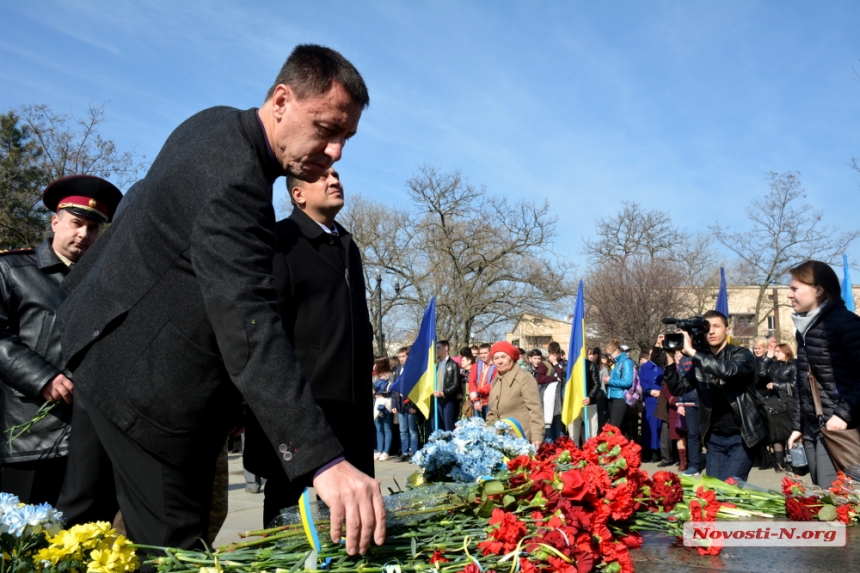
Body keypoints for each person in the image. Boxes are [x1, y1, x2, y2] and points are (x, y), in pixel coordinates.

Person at [55, 45, 384, 555]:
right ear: (281, 101)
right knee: (172, 555)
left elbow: (140, 206)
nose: (337, 151)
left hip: (101, 358)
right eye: (325, 128)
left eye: (347, 137)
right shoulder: (237, 183)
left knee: (76, 542)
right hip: (150, 398)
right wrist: (323, 461)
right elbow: (248, 323)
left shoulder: (211, 123)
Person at [241, 166, 375, 525]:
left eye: (337, 175)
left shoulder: (348, 246)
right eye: (322, 176)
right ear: (298, 194)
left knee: (354, 525)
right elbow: (266, 332)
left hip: (352, 413)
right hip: (303, 411)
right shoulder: (280, 241)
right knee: (287, 524)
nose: (335, 180)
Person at [0, 175, 121, 505]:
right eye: (76, 223)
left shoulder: (106, 283)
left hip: (91, 440)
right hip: (31, 436)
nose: (83, 234)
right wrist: (43, 378)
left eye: (93, 228)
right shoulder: (11, 269)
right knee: (24, 543)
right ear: (55, 222)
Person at [662, 311, 766, 481]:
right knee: (712, 494)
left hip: (742, 437)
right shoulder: (702, 360)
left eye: (716, 326)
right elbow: (679, 389)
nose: (710, 332)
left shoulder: (742, 354)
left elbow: (727, 371)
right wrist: (670, 359)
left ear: (728, 329)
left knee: (727, 491)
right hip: (714, 439)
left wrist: (693, 353)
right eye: (706, 328)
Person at [786, 260, 860, 487]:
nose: (789, 295)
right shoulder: (804, 329)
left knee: (836, 503)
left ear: (818, 289)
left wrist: (843, 415)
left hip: (839, 428)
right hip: (812, 428)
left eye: (795, 289)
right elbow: (802, 382)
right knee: (822, 498)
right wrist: (798, 426)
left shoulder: (845, 323)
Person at [485, 342, 544, 446]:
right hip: (498, 440)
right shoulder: (495, 381)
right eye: (496, 358)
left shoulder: (524, 378)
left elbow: (535, 409)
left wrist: (537, 435)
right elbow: (492, 412)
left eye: (503, 357)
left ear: (511, 357)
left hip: (520, 438)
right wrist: (487, 433)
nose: (500, 361)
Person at [756, 343, 796, 472]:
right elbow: (761, 373)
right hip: (775, 402)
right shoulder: (774, 365)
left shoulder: (793, 365)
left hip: (788, 402)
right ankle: (779, 463)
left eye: (778, 351)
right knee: (777, 431)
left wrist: (776, 386)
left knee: (788, 431)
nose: (776, 353)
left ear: (786, 352)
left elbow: (795, 385)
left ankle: (791, 462)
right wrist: (767, 358)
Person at [391, 346, 419, 462]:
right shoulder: (397, 369)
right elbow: (394, 388)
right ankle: (404, 451)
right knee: (403, 430)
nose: (401, 359)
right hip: (401, 404)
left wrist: (414, 406)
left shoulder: (414, 369)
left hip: (410, 403)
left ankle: (413, 452)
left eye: (404, 356)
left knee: (412, 430)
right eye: (400, 357)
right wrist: (394, 405)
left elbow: (418, 389)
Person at [604, 339, 634, 437]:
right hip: (613, 398)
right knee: (621, 430)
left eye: (610, 354)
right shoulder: (617, 363)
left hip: (620, 399)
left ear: (617, 351)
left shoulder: (626, 362)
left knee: (613, 430)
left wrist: (610, 381)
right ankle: (627, 451)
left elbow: (627, 382)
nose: (609, 357)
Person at [638, 348, 663, 463]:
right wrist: (649, 391)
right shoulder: (645, 367)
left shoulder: (663, 366)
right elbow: (642, 381)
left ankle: (660, 451)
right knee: (650, 428)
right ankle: (650, 451)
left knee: (660, 427)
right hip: (650, 400)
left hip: (662, 399)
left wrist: (662, 392)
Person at [431, 340, 460, 432]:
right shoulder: (435, 364)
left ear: (446, 348)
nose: (436, 350)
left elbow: (456, 384)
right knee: (436, 427)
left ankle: (450, 445)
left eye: (438, 348)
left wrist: (443, 393)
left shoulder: (453, 364)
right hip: (435, 400)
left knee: (448, 427)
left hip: (447, 400)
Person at [581, 346, 608, 437]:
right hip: (587, 398)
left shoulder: (602, 368)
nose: (591, 356)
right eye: (589, 354)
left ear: (598, 355)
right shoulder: (584, 366)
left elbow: (601, 385)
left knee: (597, 423)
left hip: (599, 397)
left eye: (594, 354)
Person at [372, 358, 395, 461]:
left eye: (376, 364)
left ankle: (386, 452)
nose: (374, 366)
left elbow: (393, 390)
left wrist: (380, 394)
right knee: (378, 428)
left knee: (387, 427)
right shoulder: (376, 376)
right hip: (377, 403)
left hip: (386, 403)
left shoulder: (390, 375)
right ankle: (379, 450)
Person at [468, 343, 496, 419]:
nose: (483, 355)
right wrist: (475, 400)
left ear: (490, 352)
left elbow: (493, 383)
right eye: (481, 353)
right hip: (477, 400)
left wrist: (481, 391)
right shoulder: (476, 365)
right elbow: (472, 382)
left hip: (489, 400)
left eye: (485, 353)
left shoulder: (496, 366)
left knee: (489, 425)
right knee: (477, 426)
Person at [458, 348, 475, 420]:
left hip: (472, 402)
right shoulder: (460, 372)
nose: (461, 362)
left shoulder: (475, 372)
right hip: (462, 401)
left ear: (469, 361)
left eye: (463, 360)